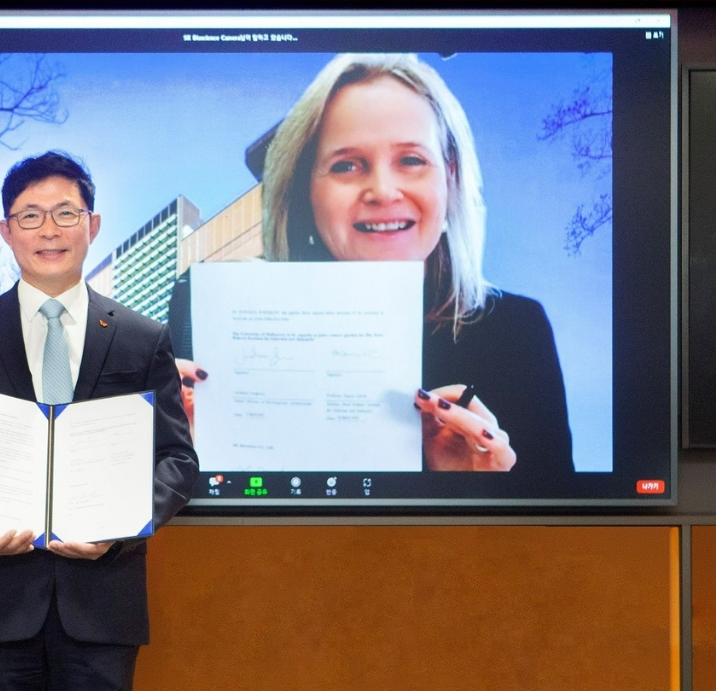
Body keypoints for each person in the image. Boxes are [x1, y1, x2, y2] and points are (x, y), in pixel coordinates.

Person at [174, 53, 573, 482]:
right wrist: (174, 459)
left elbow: (568, 541)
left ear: (449, 176)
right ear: (305, 188)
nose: (383, 191)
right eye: (347, 164)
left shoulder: (516, 330)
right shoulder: (206, 311)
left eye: (412, 160)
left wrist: (486, 492)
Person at [0, 150, 199, 691]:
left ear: (93, 225)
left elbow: (177, 460)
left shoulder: (142, 337)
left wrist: (120, 527)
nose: (49, 230)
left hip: (103, 604)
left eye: (66, 213)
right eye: (30, 215)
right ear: (6, 230)